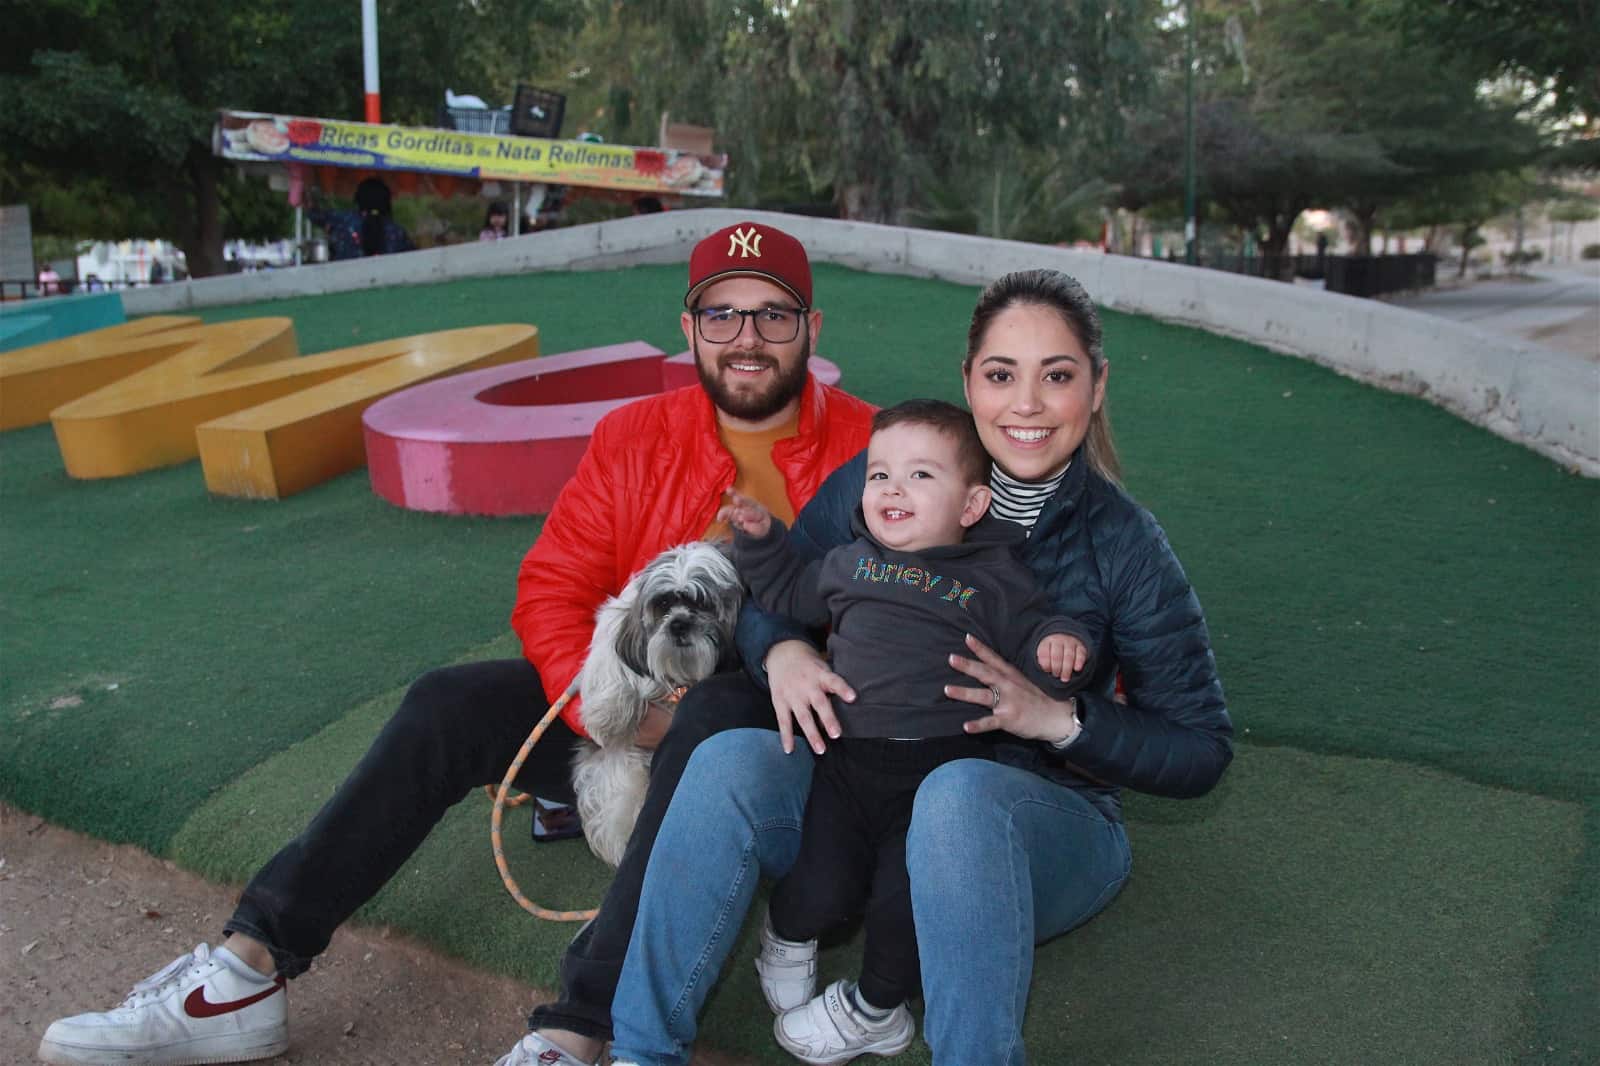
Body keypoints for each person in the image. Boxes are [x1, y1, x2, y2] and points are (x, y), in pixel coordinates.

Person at [34, 220, 877, 1066]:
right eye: (722, 316)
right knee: (449, 704)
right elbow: (553, 585)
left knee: (707, 727)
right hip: (631, 701)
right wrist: (603, 711)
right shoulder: (632, 436)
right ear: (689, 329)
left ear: (813, 327)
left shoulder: (878, 449)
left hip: (776, 735)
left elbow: (895, 626)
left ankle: (575, 1030)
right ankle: (247, 970)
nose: (748, 339)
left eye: (774, 315)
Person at [607, 268, 1235, 1066]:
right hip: (869, 775)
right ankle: (638, 1050)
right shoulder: (897, 475)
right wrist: (785, 648)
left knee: (957, 794)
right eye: (1003, 374)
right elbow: (780, 584)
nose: (1028, 404)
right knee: (725, 757)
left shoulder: (1124, 544)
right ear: (970, 381)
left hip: (1041, 821)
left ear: (1098, 386)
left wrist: (1060, 720)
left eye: (1059, 376)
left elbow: (1201, 750)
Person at [722, 398, 1093, 1063]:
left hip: (940, 780)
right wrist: (759, 541)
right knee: (822, 888)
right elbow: (786, 590)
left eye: (921, 476)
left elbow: (1039, 637)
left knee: (905, 906)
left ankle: (875, 1006)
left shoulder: (994, 579)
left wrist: (1060, 644)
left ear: (972, 505)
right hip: (845, 766)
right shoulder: (850, 563)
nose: (893, 489)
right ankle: (785, 933)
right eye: (879, 474)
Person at [308, 177, 414, 260]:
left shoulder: (343, 220)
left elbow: (314, 214)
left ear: (358, 200)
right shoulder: (397, 231)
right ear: (387, 203)